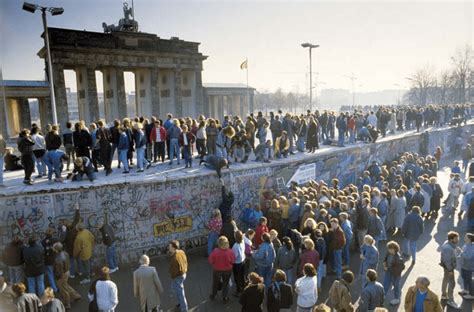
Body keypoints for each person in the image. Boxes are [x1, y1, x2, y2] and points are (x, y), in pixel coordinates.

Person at [52, 242, 81, 311]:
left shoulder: (57, 259)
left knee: (63, 290)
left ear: (56, 249)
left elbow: (59, 271)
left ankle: (67, 305)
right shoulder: (65, 253)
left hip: (62, 275)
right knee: (65, 285)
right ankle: (76, 295)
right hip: (67, 271)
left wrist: (57, 277)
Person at [208, 236, 235, 302]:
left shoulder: (215, 251)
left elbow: (210, 260)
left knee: (215, 282)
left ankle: (213, 294)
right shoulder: (230, 251)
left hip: (217, 270)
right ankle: (225, 297)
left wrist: (214, 263)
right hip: (227, 270)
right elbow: (233, 261)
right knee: (226, 283)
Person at [440, 231, 461, 308]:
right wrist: (450, 270)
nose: (457, 240)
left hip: (447, 267)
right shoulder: (448, 248)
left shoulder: (449, 244)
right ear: (451, 239)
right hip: (449, 268)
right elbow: (447, 261)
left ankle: (444, 295)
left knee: (445, 279)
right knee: (452, 284)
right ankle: (450, 300)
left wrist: (456, 248)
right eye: (456, 238)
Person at [168, 240, 188, 312]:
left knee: (180, 293)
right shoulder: (181, 252)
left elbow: (174, 272)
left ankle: (184, 309)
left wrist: (173, 277)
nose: (168, 248)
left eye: (170, 246)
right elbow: (185, 261)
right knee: (175, 288)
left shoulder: (174, 259)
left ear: (173, 248)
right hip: (183, 273)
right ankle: (180, 303)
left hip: (177, 277)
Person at [382, 241, 405, 306]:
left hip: (395, 275)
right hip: (388, 273)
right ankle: (383, 297)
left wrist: (388, 268)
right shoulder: (388, 253)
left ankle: (396, 299)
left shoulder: (399, 258)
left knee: (396, 286)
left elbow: (401, 268)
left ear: (394, 249)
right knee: (385, 285)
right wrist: (384, 263)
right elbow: (385, 259)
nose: (388, 250)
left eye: (389, 248)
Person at [42, 228, 58, 293]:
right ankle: (58, 285)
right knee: (57, 273)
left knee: (50, 274)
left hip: (48, 260)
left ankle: (54, 288)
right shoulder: (55, 240)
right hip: (56, 259)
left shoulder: (43, 242)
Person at [459, 233, 474, 300]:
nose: (464, 237)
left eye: (466, 237)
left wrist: (461, 253)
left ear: (469, 239)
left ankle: (471, 294)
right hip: (464, 266)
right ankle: (466, 290)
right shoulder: (465, 245)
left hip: (468, 267)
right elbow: (463, 253)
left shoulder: (472, 247)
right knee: (464, 278)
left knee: (469, 280)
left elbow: (468, 257)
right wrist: (459, 255)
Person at [232, 230, 246, 295]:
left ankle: (238, 290)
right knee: (242, 275)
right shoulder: (242, 242)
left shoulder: (235, 246)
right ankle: (243, 286)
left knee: (237, 277)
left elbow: (234, 256)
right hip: (243, 261)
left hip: (237, 264)